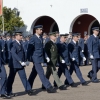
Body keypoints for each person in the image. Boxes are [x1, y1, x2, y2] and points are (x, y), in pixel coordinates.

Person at [27, 25, 56, 93]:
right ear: (36, 30)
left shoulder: (40, 38)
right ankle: (48, 86)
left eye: (41, 29)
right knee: (41, 72)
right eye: (40, 29)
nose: (41, 31)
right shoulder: (33, 38)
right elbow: (29, 49)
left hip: (40, 57)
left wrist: (46, 56)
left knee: (34, 73)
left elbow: (42, 49)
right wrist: (28, 58)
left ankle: (28, 86)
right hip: (36, 58)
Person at [6, 30, 34, 98]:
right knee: (11, 79)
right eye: (20, 35)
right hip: (14, 64)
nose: (22, 36)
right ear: (16, 36)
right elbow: (14, 53)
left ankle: (28, 89)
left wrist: (25, 60)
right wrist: (20, 61)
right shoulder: (13, 43)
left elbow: (22, 53)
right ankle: (8, 92)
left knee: (24, 77)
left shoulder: (20, 43)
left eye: (21, 35)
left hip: (20, 64)